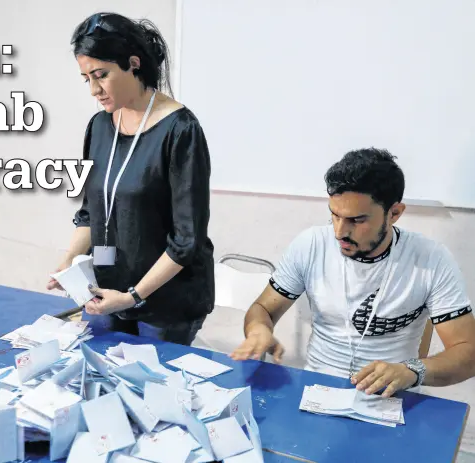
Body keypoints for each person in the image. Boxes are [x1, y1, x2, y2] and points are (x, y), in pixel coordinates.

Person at [230, 148, 475, 397]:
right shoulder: (312, 244)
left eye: (356, 220)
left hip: (389, 396)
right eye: (334, 216)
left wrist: (412, 371)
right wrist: (258, 329)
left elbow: (468, 352)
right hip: (318, 388)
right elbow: (263, 309)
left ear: (394, 213)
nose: (339, 232)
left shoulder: (430, 259)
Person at [46, 12, 215, 345]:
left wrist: (133, 296)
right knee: (97, 380)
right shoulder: (99, 127)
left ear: (133, 64)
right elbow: (90, 212)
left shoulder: (180, 130)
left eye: (102, 75)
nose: (94, 89)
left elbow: (186, 241)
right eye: (86, 79)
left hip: (166, 304)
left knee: (153, 391)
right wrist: (67, 263)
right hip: (107, 292)